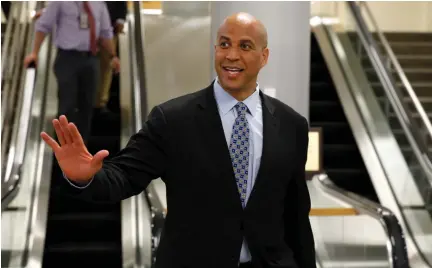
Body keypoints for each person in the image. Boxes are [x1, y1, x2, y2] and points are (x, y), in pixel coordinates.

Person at [41, 12, 315, 268]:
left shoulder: (291, 126)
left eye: (245, 46)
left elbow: (296, 217)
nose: (232, 55)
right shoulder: (172, 120)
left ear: (264, 56)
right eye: (224, 44)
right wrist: (84, 178)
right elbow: (124, 175)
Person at [24, 2, 121, 144]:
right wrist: (34, 53)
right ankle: (64, 146)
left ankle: (82, 148)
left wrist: (113, 56)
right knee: (67, 105)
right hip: (67, 58)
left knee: (87, 106)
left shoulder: (98, 4)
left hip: (91, 59)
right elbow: (44, 25)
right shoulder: (60, 2)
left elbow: (105, 32)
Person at [95, 1, 127, 113]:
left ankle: (100, 103)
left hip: (109, 26)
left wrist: (120, 19)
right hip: (81, 30)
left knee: (106, 66)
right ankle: (83, 101)